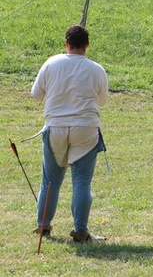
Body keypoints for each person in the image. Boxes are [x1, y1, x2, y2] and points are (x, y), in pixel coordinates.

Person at [30, 25, 109, 242]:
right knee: (82, 181)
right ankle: (80, 230)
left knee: (50, 181)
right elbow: (103, 100)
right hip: (85, 129)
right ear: (87, 45)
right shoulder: (96, 69)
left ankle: (43, 225)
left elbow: (36, 95)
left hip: (55, 127)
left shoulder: (51, 63)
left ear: (66, 43)